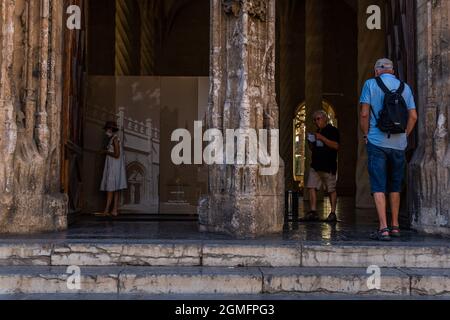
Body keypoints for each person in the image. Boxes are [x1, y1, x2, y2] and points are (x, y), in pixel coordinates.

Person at [360, 58, 418, 241]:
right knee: (395, 185)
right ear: (392, 71)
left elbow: (364, 113)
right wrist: (405, 135)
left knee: (378, 185)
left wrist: (366, 134)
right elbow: (413, 116)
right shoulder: (405, 87)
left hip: (377, 142)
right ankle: (395, 226)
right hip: (398, 144)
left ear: (376, 71)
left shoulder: (370, 84)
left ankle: (383, 228)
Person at [304, 110, 340, 222]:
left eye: (318, 119)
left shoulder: (333, 130)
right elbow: (313, 148)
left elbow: (336, 146)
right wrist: (310, 141)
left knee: (331, 189)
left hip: (328, 165)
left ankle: (333, 213)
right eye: (314, 120)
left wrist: (321, 138)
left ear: (325, 118)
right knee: (311, 187)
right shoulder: (317, 131)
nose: (316, 121)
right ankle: (313, 211)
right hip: (315, 165)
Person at [98, 121, 127, 217]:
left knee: (110, 188)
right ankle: (114, 210)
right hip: (115, 166)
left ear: (110, 129)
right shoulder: (114, 139)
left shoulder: (114, 139)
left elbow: (117, 154)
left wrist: (106, 151)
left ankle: (107, 210)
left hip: (114, 167)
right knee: (115, 188)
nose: (106, 131)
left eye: (107, 129)